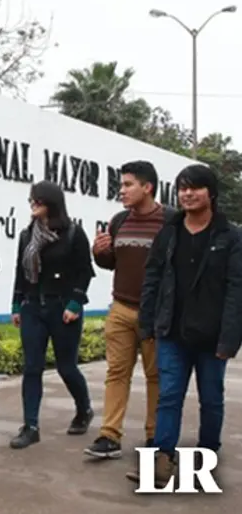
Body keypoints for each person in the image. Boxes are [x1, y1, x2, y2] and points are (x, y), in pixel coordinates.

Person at [128, 164, 242, 485]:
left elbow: (237, 289)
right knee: (169, 395)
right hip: (172, 333)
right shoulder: (169, 233)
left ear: (211, 193)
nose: (188, 194)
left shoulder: (231, 237)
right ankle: (162, 459)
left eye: (195, 187)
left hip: (212, 335)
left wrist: (230, 338)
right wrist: (147, 324)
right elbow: (152, 279)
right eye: (182, 188)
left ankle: (207, 454)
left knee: (212, 399)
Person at [84, 161, 174, 460]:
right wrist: (100, 252)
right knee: (117, 373)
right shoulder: (119, 220)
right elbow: (112, 262)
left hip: (155, 314)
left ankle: (154, 437)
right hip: (120, 309)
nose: (121, 191)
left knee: (155, 377)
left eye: (127, 185)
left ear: (147, 187)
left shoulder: (171, 221)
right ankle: (109, 436)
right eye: (121, 185)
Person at [9, 180, 95, 449]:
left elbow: (85, 271)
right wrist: (16, 304)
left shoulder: (72, 234)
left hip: (62, 308)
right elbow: (20, 272)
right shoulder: (27, 235)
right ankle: (30, 426)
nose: (33, 205)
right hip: (33, 306)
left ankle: (84, 409)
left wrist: (75, 303)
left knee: (66, 367)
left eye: (38, 200)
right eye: (31, 200)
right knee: (32, 367)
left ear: (51, 203)